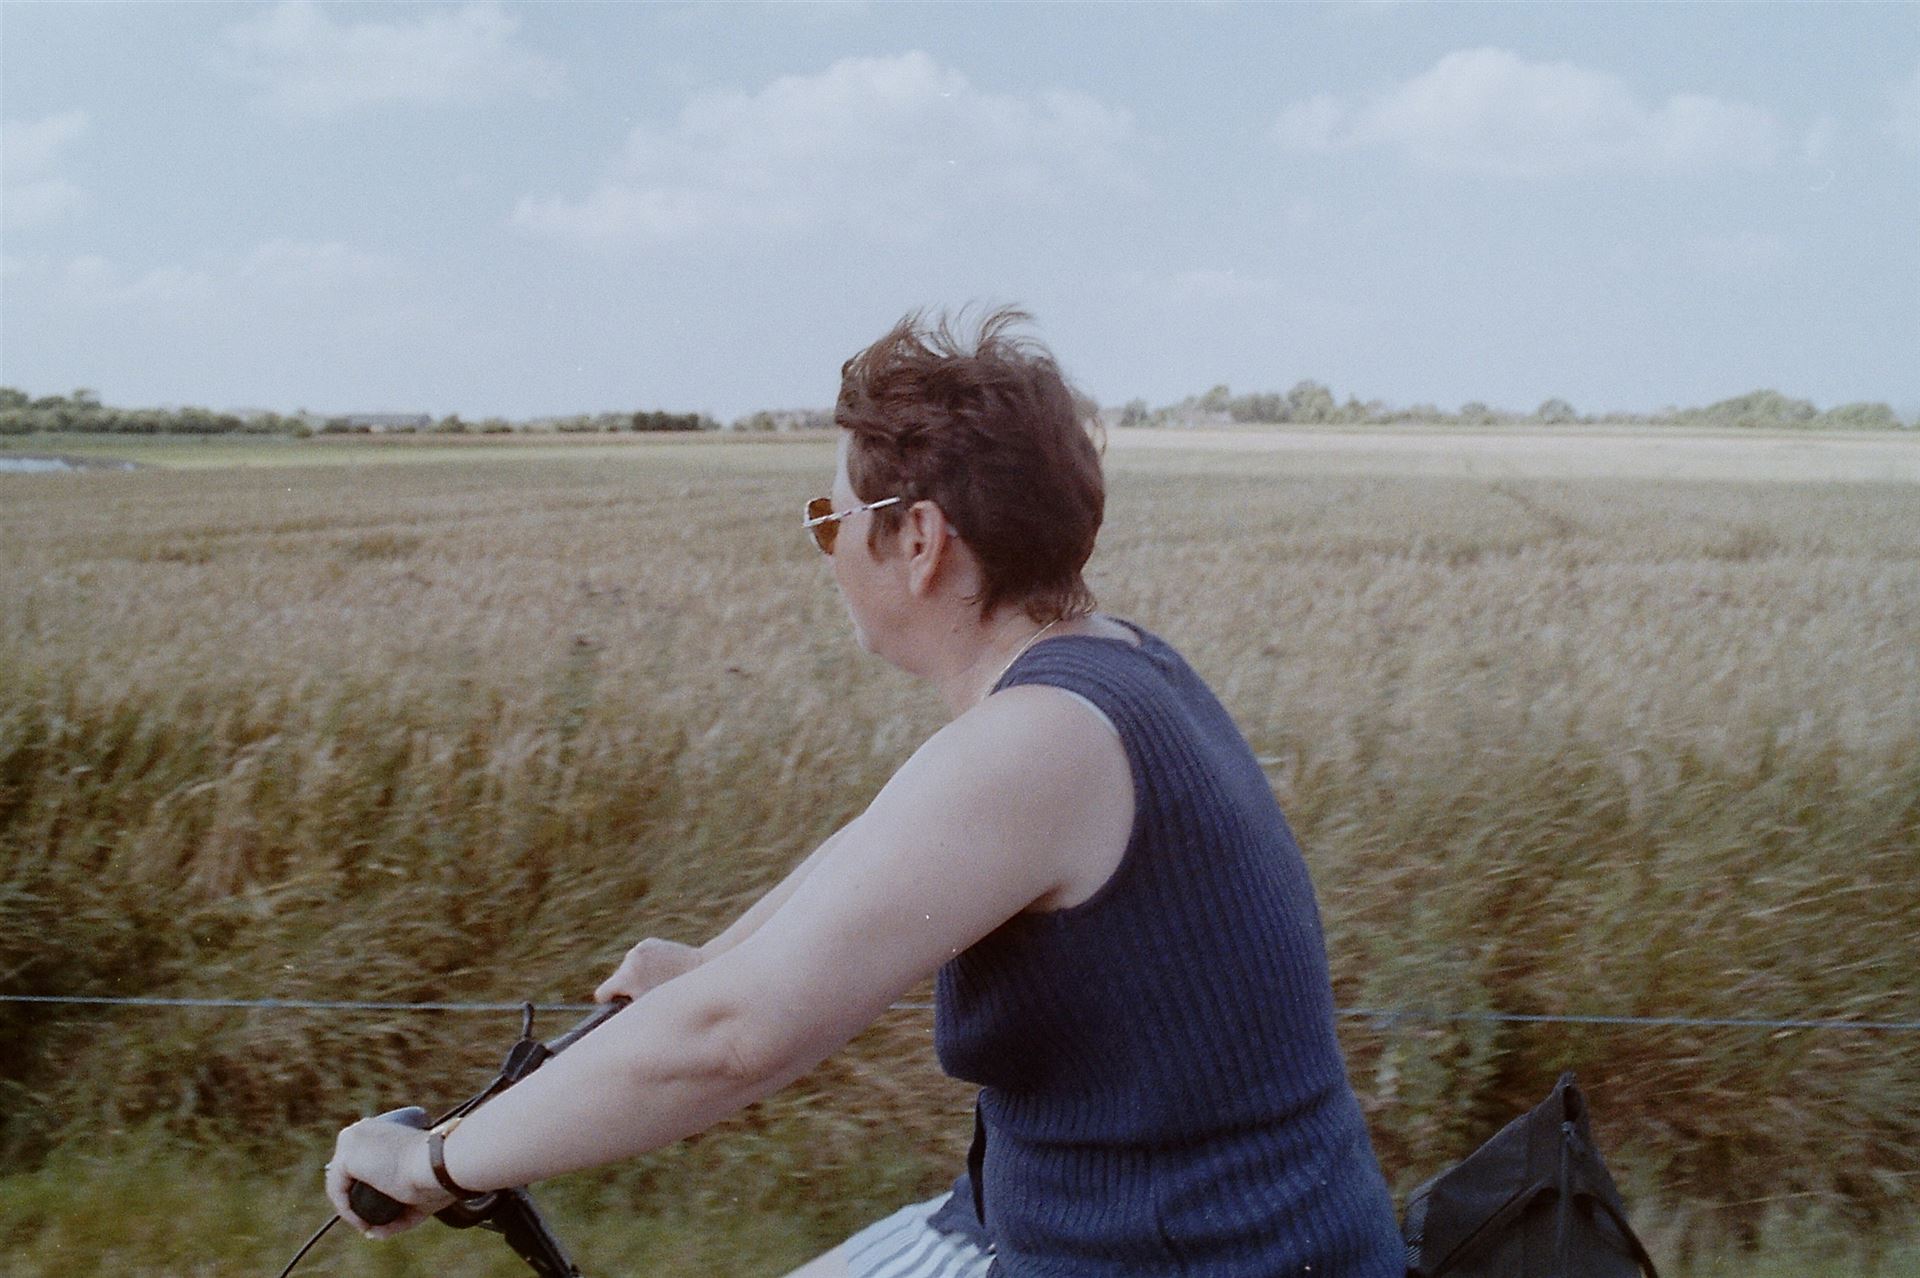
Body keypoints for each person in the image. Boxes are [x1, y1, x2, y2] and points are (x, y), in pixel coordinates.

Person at [327, 308, 1403, 1276]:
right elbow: (883, 841)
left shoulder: (1037, 742)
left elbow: (731, 1042)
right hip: (1162, 1234)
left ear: (919, 539)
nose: (825, 546)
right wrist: (709, 957)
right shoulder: (1114, 664)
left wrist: (437, 1162)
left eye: (826, 518)